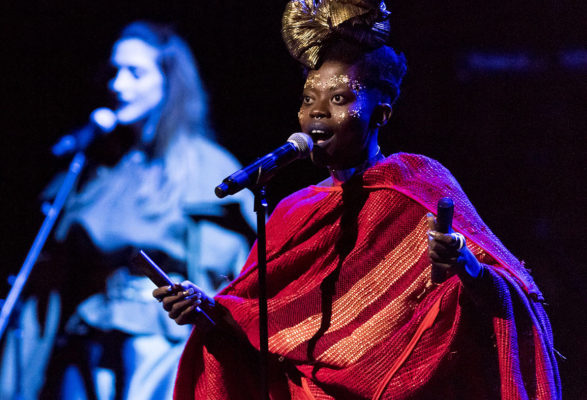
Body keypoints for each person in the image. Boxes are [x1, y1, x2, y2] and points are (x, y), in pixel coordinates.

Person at [154, 1, 561, 399]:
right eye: (308, 99)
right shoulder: (291, 212)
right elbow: (258, 322)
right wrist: (207, 310)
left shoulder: (417, 185)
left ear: (380, 114)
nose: (317, 113)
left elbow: (514, 299)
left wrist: (466, 266)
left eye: (340, 99)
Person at [0, 21, 255, 400]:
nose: (117, 85)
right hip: (89, 337)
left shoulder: (206, 167)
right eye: (115, 71)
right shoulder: (100, 169)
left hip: (159, 349)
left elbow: (230, 275)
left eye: (135, 73)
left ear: (168, 83)